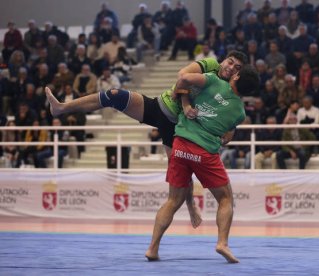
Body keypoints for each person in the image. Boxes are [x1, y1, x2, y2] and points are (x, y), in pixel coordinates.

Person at [46, 51, 248, 227]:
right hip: (159, 106)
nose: (231, 68)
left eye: (236, 67)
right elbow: (183, 76)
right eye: (230, 62)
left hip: (176, 127)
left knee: (181, 175)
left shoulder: (228, 90)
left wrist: (228, 134)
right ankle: (62, 107)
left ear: (239, 74)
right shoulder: (210, 65)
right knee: (114, 94)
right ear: (223, 61)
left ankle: (191, 206)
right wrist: (186, 104)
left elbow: (230, 120)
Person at [145, 64, 259, 263]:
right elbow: (227, 136)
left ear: (237, 76)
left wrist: (185, 103)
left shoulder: (213, 81)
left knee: (173, 201)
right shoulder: (240, 113)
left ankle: (152, 248)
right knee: (225, 199)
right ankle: (222, 243)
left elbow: (183, 78)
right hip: (204, 153)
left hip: (180, 145)